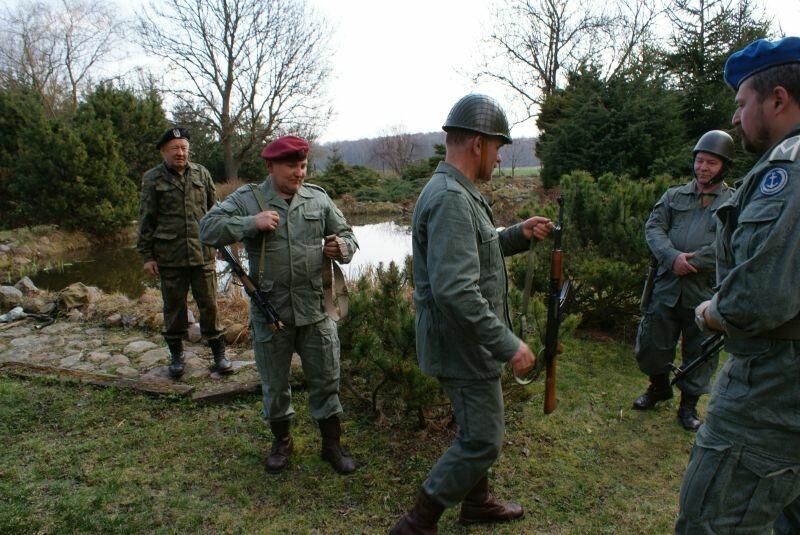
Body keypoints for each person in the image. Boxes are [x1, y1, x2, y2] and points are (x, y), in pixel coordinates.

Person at [390, 94, 552, 534]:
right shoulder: (450, 198)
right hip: (461, 344)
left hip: (467, 340)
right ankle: (417, 522)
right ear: (478, 144)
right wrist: (508, 344)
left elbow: (477, 251)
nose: (499, 158)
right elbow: (456, 291)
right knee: (482, 439)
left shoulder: (460, 192)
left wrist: (517, 234)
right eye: (498, 147)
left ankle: (477, 501)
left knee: (475, 427)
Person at [675, 36, 800, 533]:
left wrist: (712, 313)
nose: (735, 116)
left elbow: (758, 297)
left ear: (777, 99)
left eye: (742, 103)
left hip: (771, 391)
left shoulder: (787, 171)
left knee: (710, 520)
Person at [199, 135, 359, 475]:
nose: (299, 173)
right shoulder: (248, 199)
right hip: (271, 312)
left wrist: (341, 248)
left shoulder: (318, 198)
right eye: (291, 166)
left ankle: (332, 444)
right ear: (270, 166)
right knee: (274, 383)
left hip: (316, 310)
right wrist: (250, 224)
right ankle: (282, 443)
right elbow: (207, 229)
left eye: (303, 166)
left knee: (327, 378)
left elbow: (348, 234)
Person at [632, 130, 735, 431]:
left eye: (711, 163)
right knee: (652, 342)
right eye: (700, 161)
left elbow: (731, 243)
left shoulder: (733, 202)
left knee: (700, 350)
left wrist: (693, 263)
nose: (703, 168)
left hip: (705, 290)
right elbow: (654, 228)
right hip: (666, 285)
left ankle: (688, 405)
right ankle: (658, 387)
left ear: (723, 166)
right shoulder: (673, 196)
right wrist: (672, 257)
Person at [136, 127, 231, 379]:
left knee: (210, 305)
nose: (180, 152)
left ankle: (219, 355)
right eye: (174, 148)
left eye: (184, 148)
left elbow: (216, 211)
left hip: (202, 253)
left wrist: (222, 243)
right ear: (163, 151)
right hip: (170, 256)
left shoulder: (202, 173)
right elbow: (146, 218)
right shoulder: (152, 178)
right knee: (174, 307)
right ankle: (177, 356)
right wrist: (147, 256)